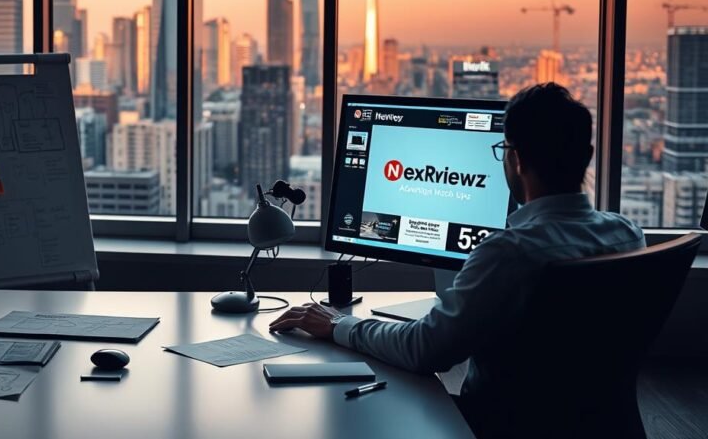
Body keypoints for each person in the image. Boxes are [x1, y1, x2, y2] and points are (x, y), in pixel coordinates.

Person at [269, 83, 645, 432]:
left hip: (497, 426)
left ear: (517, 160)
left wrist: (338, 325)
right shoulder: (628, 236)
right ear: (588, 155)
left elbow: (424, 351)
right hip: (602, 424)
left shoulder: (509, 253)